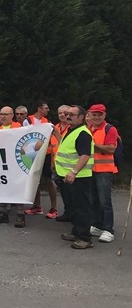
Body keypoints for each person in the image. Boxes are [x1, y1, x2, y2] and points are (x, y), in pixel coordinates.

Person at [56, 105, 95, 249]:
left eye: (72, 114)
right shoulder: (72, 130)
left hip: (79, 177)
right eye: (67, 114)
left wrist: (74, 171)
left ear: (81, 117)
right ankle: (76, 232)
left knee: (81, 207)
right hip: (68, 177)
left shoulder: (83, 133)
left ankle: (85, 238)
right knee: (74, 207)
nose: (68, 116)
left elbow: (85, 155)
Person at [88, 104, 118, 243]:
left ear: (104, 115)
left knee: (104, 201)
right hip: (90, 170)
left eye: (100, 114)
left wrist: (93, 145)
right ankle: (97, 225)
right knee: (93, 200)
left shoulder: (109, 129)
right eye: (94, 114)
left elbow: (111, 149)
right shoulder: (88, 128)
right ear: (90, 114)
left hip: (104, 170)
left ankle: (108, 229)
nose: (97, 117)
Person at [0, 106, 23, 226]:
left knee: (17, 189)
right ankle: (3, 214)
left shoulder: (19, 127)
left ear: (12, 115)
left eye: (6, 114)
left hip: (15, 164)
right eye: (1, 113)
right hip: (1, 164)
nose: (3, 116)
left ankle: (20, 215)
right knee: (2, 188)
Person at [23, 101, 58, 217]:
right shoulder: (28, 121)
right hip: (33, 154)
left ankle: (54, 208)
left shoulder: (47, 122)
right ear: (39, 109)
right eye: (46, 108)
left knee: (49, 180)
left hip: (46, 153)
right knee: (34, 180)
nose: (48, 110)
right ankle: (37, 206)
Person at [52, 105, 73, 221]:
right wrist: (52, 163)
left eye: (65, 113)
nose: (62, 115)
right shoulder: (56, 127)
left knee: (71, 192)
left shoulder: (72, 128)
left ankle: (74, 214)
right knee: (64, 192)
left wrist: (57, 134)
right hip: (58, 164)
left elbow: (65, 145)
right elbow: (52, 146)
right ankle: (68, 212)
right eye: (60, 113)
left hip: (70, 165)